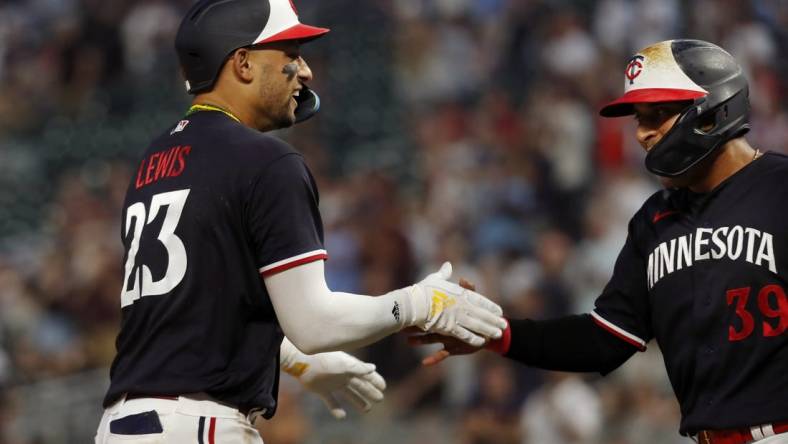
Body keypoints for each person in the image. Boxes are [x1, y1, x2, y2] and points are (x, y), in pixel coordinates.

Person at [95, 0, 507, 442]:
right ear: (243, 63)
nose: (306, 71)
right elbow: (315, 323)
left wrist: (293, 360)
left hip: (125, 427)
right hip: (199, 426)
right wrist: (419, 304)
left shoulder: (154, 161)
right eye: (290, 54)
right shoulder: (265, 160)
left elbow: (194, 314)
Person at [411, 39, 788, 444]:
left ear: (713, 112)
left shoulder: (779, 188)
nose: (643, 134)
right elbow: (604, 339)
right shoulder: (654, 220)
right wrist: (498, 333)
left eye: (657, 115)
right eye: (639, 119)